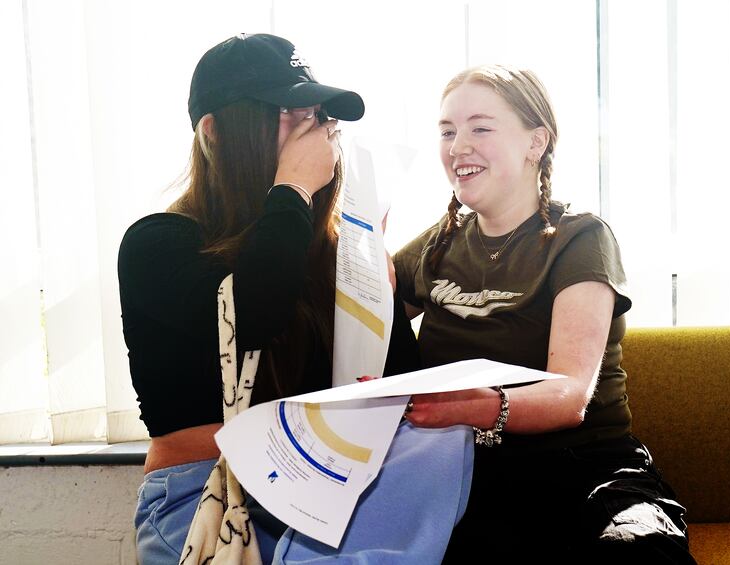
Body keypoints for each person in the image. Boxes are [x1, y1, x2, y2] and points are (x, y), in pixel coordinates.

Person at [119, 33, 471, 564]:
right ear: (213, 132)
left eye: (317, 115)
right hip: (205, 496)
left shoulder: (334, 256)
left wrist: (379, 307)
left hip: (323, 492)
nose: (312, 131)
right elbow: (252, 317)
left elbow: (394, 389)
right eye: (286, 114)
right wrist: (293, 190)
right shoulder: (158, 242)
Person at [393, 64, 697, 564]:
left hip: (587, 466)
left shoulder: (580, 237)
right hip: (467, 472)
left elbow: (568, 395)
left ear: (537, 141)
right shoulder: (437, 245)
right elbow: (362, 321)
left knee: (641, 553)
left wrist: (474, 406)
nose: (457, 146)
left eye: (480, 127)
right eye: (447, 131)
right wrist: (357, 251)